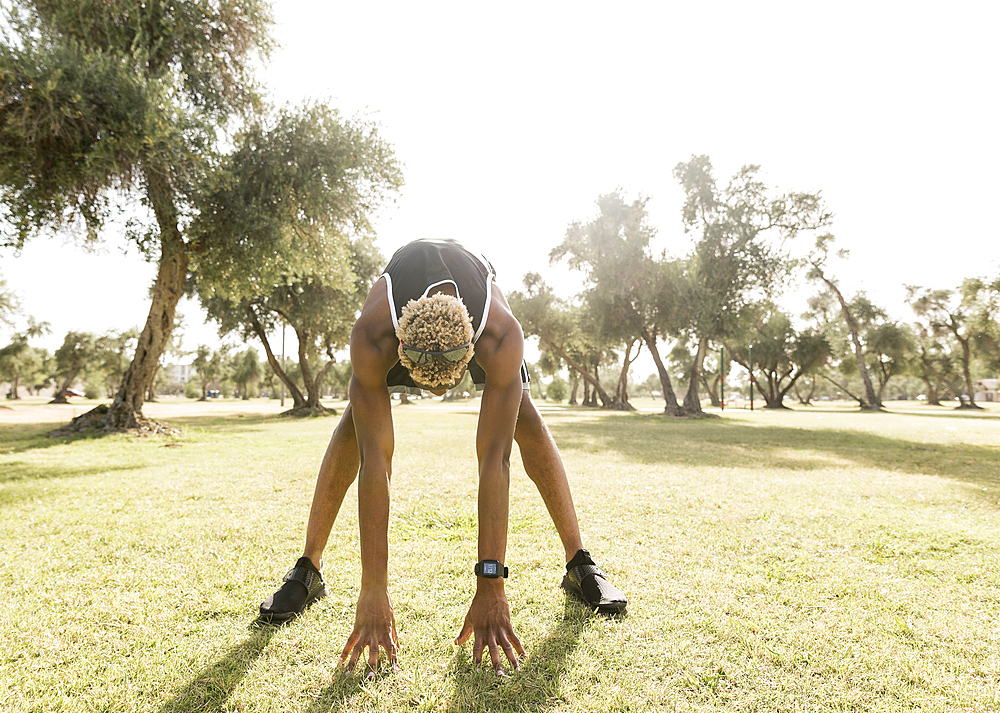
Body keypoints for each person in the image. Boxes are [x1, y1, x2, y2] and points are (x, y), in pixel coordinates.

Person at [259, 238, 626, 675]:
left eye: (446, 385)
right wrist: (372, 588)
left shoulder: (500, 334)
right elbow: (376, 461)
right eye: (426, 386)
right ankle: (308, 570)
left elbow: (495, 459)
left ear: (472, 352)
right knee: (353, 431)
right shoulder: (372, 334)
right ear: (399, 350)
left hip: (472, 324)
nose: (438, 394)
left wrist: (491, 583)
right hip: (405, 326)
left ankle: (579, 563)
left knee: (525, 420)